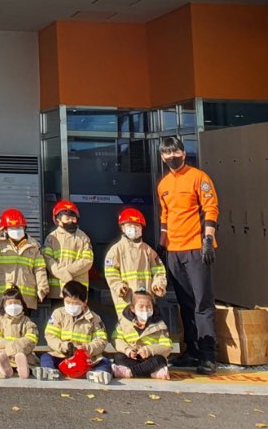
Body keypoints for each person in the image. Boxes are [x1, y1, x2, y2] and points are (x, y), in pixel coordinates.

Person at [158, 136, 219, 375]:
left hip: (196, 248)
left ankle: (208, 355)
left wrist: (208, 240)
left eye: (175, 152)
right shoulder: (163, 184)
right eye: (167, 153)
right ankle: (191, 350)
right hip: (174, 251)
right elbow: (165, 216)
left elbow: (211, 208)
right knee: (185, 303)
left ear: (184, 153)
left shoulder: (199, 177)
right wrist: (162, 246)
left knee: (202, 302)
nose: (171, 157)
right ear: (162, 156)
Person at [34, 279, 111, 385]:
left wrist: (87, 348)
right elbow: (50, 335)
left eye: (75, 303)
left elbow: (101, 340)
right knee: (46, 357)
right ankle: (49, 371)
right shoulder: (58, 314)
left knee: (104, 361)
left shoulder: (94, 318)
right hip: (63, 355)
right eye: (68, 302)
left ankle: (99, 374)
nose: (71, 306)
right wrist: (63, 346)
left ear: (84, 303)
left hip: (86, 358)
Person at [104, 207, 167, 318]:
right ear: (123, 228)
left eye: (137, 225)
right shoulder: (116, 250)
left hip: (146, 301)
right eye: (129, 225)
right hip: (126, 300)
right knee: (128, 325)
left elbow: (159, 270)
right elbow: (110, 272)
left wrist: (158, 284)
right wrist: (118, 286)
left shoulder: (148, 251)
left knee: (148, 325)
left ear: (142, 228)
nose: (133, 229)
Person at [0, 208, 49, 312]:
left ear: (24, 227)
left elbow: (40, 269)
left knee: (25, 322)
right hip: (5, 296)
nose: (16, 230)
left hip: (26, 297)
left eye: (19, 227)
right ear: (5, 229)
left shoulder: (33, 246)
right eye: (12, 228)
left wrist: (42, 289)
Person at [111, 289, 172, 381]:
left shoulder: (160, 325)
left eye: (149, 307)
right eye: (141, 307)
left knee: (160, 360)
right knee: (118, 357)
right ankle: (151, 372)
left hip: (149, 358)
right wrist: (128, 350)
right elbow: (116, 339)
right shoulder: (124, 323)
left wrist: (149, 350)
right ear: (132, 308)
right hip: (131, 357)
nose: (145, 310)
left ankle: (130, 373)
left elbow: (167, 346)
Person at [42, 199, 94, 299]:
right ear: (57, 219)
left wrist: (65, 272)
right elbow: (47, 259)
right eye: (67, 218)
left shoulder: (83, 238)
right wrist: (62, 274)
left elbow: (87, 260)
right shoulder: (51, 238)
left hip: (78, 290)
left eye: (73, 218)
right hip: (57, 291)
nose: (71, 220)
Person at [0, 284, 38, 379]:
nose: (13, 306)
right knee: (0, 357)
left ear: (21, 304)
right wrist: (11, 349)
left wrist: (14, 349)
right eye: (10, 303)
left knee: (24, 357)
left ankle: (23, 369)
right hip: (4, 355)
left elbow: (31, 339)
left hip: (22, 354)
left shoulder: (27, 322)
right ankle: (5, 369)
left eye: (16, 303)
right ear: (4, 305)